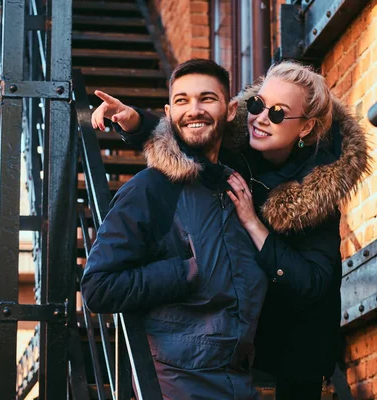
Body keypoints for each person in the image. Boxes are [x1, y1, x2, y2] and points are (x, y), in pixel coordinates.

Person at [91, 60, 370, 400]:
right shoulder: (240, 142)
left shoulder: (318, 190)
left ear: (306, 128)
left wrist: (254, 223)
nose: (262, 118)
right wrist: (135, 123)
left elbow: (312, 283)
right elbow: (194, 129)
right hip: (237, 335)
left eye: (279, 113)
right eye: (257, 105)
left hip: (299, 343)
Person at [81, 59, 268, 400]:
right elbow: (97, 288)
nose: (193, 110)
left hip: (238, 381)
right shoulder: (150, 189)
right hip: (175, 384)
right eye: (182, 101)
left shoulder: (234, 185)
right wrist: (186, 272)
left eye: (206, 99)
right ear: (169, 112)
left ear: (229, 110)